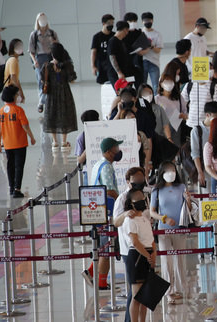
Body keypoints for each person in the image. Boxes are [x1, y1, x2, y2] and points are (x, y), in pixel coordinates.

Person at [82, 137, 123, 290]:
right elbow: (110, 190)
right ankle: (101, 283)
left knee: (102, 245)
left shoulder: (98, 164)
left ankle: (91, 271)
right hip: (106, 211)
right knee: (107, 246)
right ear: (108, 151)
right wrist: (122, 202)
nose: (118, 151)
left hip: (97, 209)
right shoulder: (106, 167)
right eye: (116, 148)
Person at [150, 161, 191, 304]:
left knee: (180, 260)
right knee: (166, 262)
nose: (171, 172)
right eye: (167, 170)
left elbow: (188, 208)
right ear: (162, 172)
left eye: (172, 169)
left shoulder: (181, 187)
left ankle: (182, 288)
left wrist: (189, 201)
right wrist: (164, 218)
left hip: (180, 228)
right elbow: (152, 212)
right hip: (164, 229)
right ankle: (169, 292)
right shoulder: (157, 190)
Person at [0, 85, 36, 198]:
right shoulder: (18, 110)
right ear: (13, 96)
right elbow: (25, 126)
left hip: (8, 144)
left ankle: (11, 187)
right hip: (20, 143)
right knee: (19, 166)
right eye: (17, 95)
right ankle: (17, 189)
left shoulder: (1, 111)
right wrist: (32, 137)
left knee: (10, 165)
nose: (18, 96)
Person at [124, 188, 157, 322]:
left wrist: (153, 253)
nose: (141, 202)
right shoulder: (130, 220)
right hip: (137, 257)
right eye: (138, 200)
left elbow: (151, 239)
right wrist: (147, 256)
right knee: (137, 296)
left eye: (142, 199)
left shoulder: (144, 218)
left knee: (145, 297)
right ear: (131, 203)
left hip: (148, 254)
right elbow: (135, 242)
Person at [41, 43, 78, 151]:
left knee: (52, 114)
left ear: (52, 54)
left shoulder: (47, 66)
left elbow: (43, 80)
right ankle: (64, 142)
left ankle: (55, 142)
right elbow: (72, 79)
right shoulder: (67, 66)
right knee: (64, 115)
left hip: (51, 94)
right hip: (64, 93)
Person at [114, 88, 154, 173]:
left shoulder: (144, 116)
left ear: (135, 99)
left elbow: (148, 141)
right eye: (124, 98)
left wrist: (147, 164)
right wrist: (119, 112)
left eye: (129, 97)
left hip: (138, 156)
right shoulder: (118, 112)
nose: (126, 100)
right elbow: (110, 127)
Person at [29, 13, 59, 113]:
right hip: (40, 58)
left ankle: (51, 102)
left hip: (50, 57)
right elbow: (31, 51)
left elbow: (57, 47)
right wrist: (35, 61)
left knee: (52, 80)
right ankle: (41, 102)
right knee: (41, 81)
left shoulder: (52, 33)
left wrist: (56, 59)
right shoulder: (34, 34)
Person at [191, 102, 217, 190]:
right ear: (207, 115)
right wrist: (200, 172)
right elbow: (195, 153)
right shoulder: (197, 131)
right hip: (205, 170)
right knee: (208, 198)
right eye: (216, 116)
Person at [156, 62, 188, 144]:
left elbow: (185, 112)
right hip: (161, 131)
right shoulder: (157, 99)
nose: (178, 76)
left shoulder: (179, 98)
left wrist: (183, 116)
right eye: (176, 74)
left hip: (176, 129)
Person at [123, 12, 151, 90]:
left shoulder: (139, 33)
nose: (133, 23)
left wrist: (142, 52)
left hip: (138, 64)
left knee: (140, 86)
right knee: (128, 86)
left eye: (134, 21)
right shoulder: (123, 34)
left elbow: (147, 46)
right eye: (130, 21)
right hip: (127, 66)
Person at [75, 109, 100, 184]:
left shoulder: (102, 133)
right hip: (89, 171)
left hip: (103, 169)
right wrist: (87, 150)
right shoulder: (81, 137)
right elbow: (79, 160)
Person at [141, 12, 163, 94]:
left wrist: (152, 46)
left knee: (155, 86)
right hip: (142, 61)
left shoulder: (157, 34)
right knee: (142, 86)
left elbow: (158, 50)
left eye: (149, 20)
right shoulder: (140, 32)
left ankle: (155, 102)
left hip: (154, 62)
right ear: (142, 21)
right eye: (145, 20)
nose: (147, 22)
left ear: (152, 20)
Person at [91, 14, 115, 84]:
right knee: (103, 83)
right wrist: (93, 66)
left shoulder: (114, 35)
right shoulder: (97, 36)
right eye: (109, 23)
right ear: (103, 23)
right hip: (101, 65)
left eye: (112, 23)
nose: (111, 25)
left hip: (112, 64)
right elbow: (93, 52)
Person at [107, 21, 131, 90]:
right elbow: (112, 57)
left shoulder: (121, 41)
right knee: (121, 94)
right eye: (127, 30)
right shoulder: (113, 41)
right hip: (115, 73)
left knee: (126, 92)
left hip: (123, 71)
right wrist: (119, 72)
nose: (127, 33)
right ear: (124, 30)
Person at [3, 38, 26, 103]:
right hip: (11, 91)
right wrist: (20, 93)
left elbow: (15, 78)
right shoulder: (13, 60)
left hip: (9, 89)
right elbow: (13, 77)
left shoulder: (11, 60)